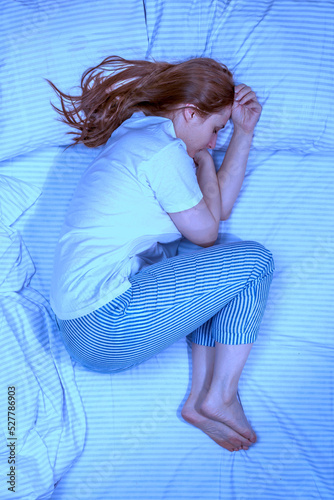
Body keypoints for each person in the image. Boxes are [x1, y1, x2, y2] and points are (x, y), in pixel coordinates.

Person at [47, 56, 275, 453]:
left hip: (86, 329)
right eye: (215, 129)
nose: (213, 141)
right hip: (106, 320)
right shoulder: (161, 150)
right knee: (255, 262)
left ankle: (201, 401)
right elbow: (207, 228)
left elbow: (212, 215)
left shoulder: (142, 139)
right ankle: (222, 394)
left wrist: (243, 132)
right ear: (190, 112)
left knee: (206, 257)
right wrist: (203, 159)